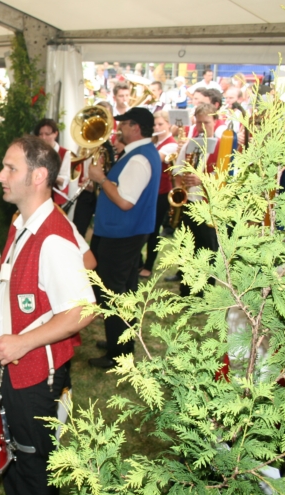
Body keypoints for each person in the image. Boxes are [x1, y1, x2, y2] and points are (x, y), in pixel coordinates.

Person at [0, 136, 96, 495]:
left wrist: (22, 341)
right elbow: (17, 290)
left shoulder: (52, 237)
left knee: (34, 456)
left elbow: (82, 309)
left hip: (36, 372)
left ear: (38, 177)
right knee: (14, 446)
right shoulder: (21, 223)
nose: (0, 176)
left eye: (10, 168)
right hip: (15, 363)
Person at [86, 107, 161, 369]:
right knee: (125, 291)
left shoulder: (139, 158)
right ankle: (121, 343)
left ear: (136, 127)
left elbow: (125, 201)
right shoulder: (140, 153)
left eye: (124, 124)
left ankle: (118, 354)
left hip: (122, 235)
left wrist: (101, 178)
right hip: (125, 232)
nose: (119, 129)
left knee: (112, 293)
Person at [171, 103, 221, 297]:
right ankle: (186, 289)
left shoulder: (223, 146)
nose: (202, 127)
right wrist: (180, 189)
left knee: (207, 250)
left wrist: (203, 180)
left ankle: (204, 292)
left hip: (209, 207)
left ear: (215, 122)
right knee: (187, 248)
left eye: (206, 122)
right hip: (189, 203)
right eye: (198, 122)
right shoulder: (190, 144)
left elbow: (227, 177)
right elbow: (177, 171)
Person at [140, 111, 178, 278]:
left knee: (153, 230)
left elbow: (154, 159)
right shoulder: (155, 141)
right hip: (149, 191)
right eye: (154, 125)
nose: (156, 128)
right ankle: (139, 262)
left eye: (160, 124)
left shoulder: (171, 144)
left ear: (169, 125)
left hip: (161, 192)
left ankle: (148, 266)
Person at [34, 118, 73, 208]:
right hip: (37, 197)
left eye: (47, 134)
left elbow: (64, 180)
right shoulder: (35, 152)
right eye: (40, 134)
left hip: (55, 199)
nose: (43, 138)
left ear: (55, 134)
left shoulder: (64, 153)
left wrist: (47, 175)